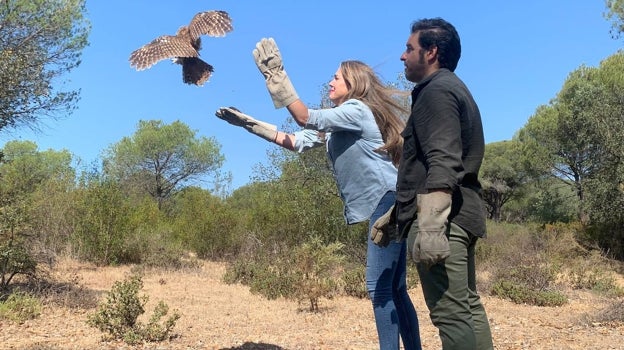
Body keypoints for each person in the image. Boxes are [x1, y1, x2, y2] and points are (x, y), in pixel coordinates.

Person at [215, 38, 422, 350]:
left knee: (379, 288)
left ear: (353, 83)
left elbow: (304, 117)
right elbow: (297, 140)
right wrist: (249, 123)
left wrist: (276, 76)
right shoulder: (343, 121)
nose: (331, 81)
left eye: (336, 77)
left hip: (386, 201)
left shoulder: (356, 110)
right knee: (394, 288)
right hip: (391, 200)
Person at [390, 17, 494, 349]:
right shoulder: (453, 89)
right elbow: (428, 163)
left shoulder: (436, 91)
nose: (402, 56)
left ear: (431, 52)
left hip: (444, 221)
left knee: (450, 314)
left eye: (409, 48)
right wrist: (397, 213)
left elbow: (444, 159)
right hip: (462, 214)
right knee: (466, 309)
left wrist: (431, 225)